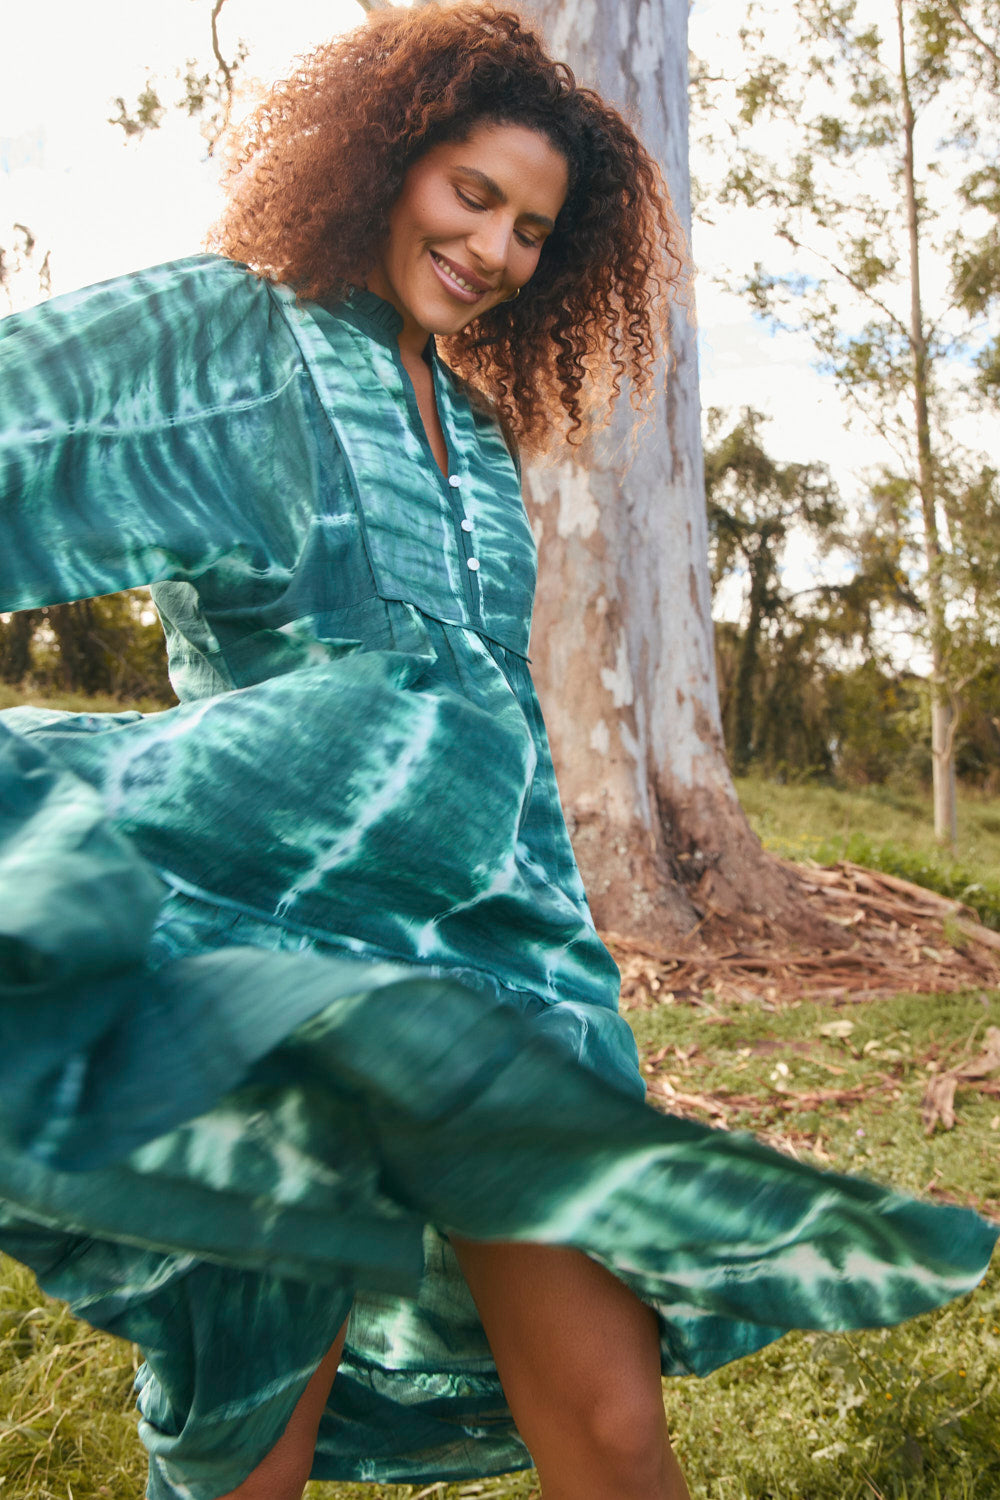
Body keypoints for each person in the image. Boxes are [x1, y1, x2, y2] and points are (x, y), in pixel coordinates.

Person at [0, 6, 994, 1500]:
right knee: (252, 1431)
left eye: (532, 229)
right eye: (473, 194)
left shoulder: (476, 436)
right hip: (294, 974)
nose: (493, 250)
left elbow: (505, 728)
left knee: (604, 1410)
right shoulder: (239, 335)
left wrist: (578, 975)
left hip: (501, 969)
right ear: (389, 162)